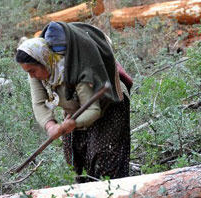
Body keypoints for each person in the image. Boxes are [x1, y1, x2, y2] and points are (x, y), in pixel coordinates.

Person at [15, 21, 131, 183]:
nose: (32, 75)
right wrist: (51, 125)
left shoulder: (76, 70)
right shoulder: (39, 70)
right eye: (28, 72)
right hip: (75, 111)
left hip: (108, 106)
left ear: (43, 61)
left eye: (32, 71)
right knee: (77, 163)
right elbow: (39, 103)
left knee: (104, 161)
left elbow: (93, 109)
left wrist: (73, 124)